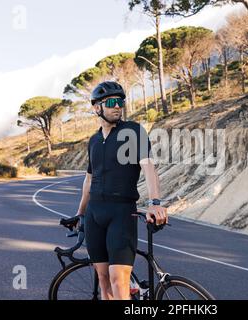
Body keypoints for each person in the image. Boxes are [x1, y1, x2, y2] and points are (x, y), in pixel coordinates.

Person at [75, 81, 168, 300]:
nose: (118, 107)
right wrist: (80, 213)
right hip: (94, 215)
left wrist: (155, 203)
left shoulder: (133, 131)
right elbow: (89, 179)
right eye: (112, 102)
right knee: (103, 278)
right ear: (97, 107)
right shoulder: (94, 141)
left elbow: (148, 166)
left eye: (121, 102)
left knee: (119, 279)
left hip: (122, 213)